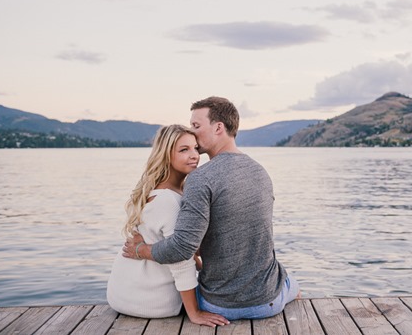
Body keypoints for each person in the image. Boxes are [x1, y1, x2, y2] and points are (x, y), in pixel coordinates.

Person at [123, 96, 300, 320]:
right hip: (270, 301)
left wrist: (141, 250)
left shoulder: (200, 178)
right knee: (293, 285)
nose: (193, 132)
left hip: (219, 306)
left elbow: (181, 249)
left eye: (196, 126)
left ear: (218, 127)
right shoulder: (261, 172)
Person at [107, 124, 229, 327]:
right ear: (165, 155)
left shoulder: (159, 190)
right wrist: (195, 313)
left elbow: (181, 250)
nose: (195, 155)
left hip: (122, 295)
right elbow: (180, 260)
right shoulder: (168, 201)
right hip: (152, 302)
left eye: (195, 148)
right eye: (184, 150)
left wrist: (203, 266)